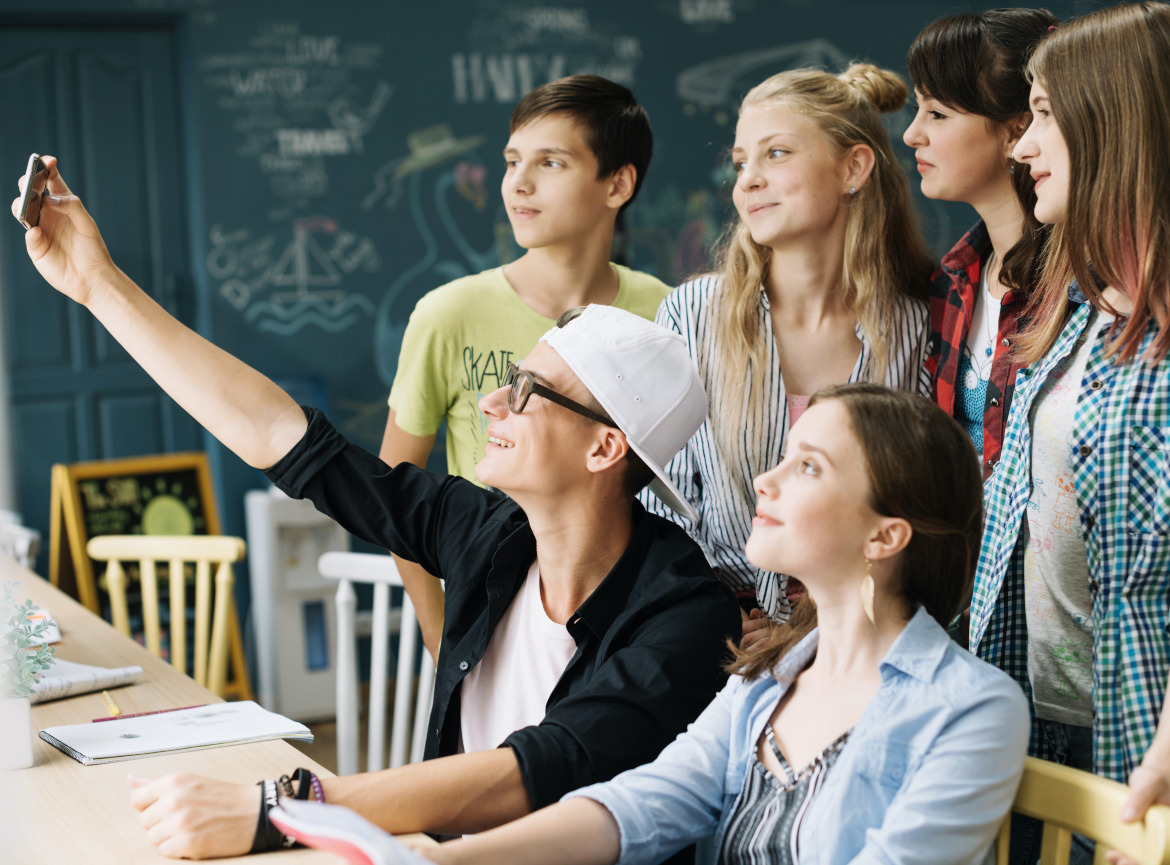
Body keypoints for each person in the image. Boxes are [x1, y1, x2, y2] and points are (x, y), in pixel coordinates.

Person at [11, 157, 740, 859]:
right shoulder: (492, 533)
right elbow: (286, 439)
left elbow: (539, 768)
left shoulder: (685, 612)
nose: (491, 401)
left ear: (605, 448)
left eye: (526, 390)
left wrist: (286, 804)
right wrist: (98, 286)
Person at [274, 384, 1031, 865]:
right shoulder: (767, 681)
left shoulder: (970, 707)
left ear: (885, 536)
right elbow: (632, 807)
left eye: (809, 467)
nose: (765, 479)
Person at [971, 5, 1170, 864]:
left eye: (1044, 114)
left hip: (1143, 742)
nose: (1020, 147)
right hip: (1042, 724)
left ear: (1115, 120)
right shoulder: (1079, 302)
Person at [381, 74, 670, 660]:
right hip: (490, 617)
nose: (519, 183)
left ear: (618, 183)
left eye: (552, 163)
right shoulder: (449, 313)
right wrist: (441, 634)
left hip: (628, 620)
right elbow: (394, 490)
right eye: (513, 162)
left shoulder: (667, 314)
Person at [640, 63, 934, 634]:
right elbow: (659, 503)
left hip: (871, 643)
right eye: (741, 161)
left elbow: (924, 512)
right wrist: (717, 617)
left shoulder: (919, 328)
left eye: (776, 154)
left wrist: (831, 630)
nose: (747, 180)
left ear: (853, 166)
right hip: (716, 644)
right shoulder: (694, 315)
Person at [904, 8, 1057, 478]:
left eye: (937, 113)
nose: (912, 134)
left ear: (1017, 129)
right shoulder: (952, 278)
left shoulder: (1079, 290)